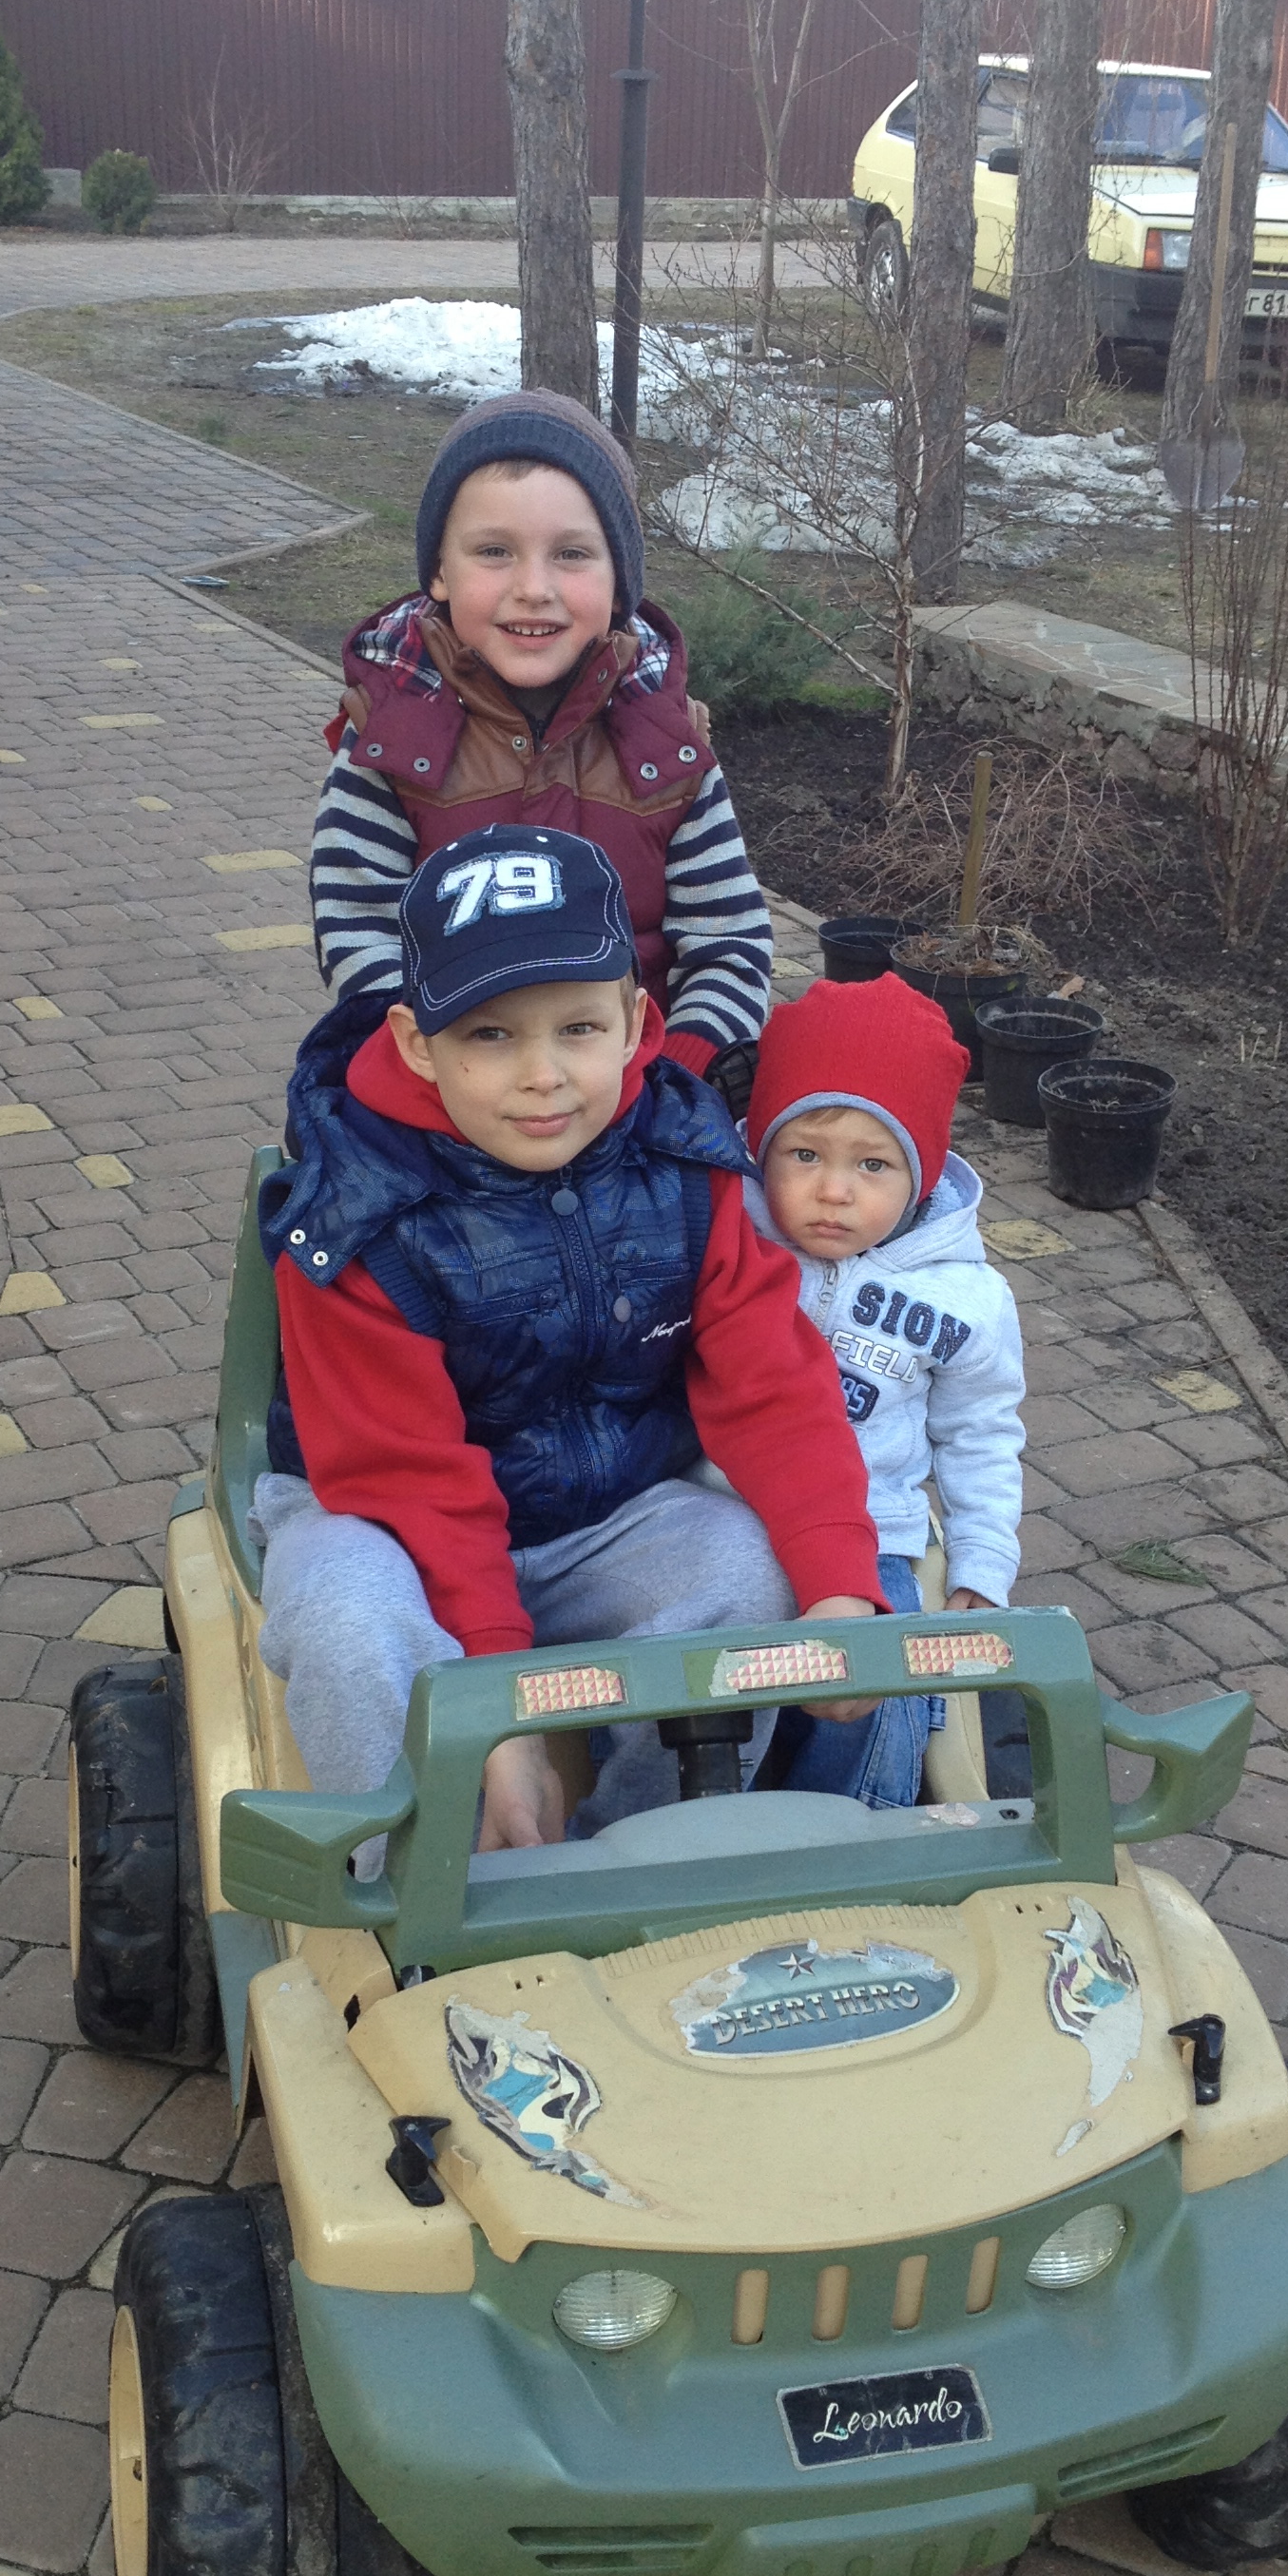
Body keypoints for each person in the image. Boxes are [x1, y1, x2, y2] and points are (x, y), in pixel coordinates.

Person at [253, 824, 883, 1849]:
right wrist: (495, 1711)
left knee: (747, 1570)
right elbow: (406, 1474)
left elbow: (772, 1384)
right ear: (416, 1043)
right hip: (387, 1520)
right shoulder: (356, 1215)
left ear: (636, 1022)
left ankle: (643, 1859)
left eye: (578, 1028)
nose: (543, 1075)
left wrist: (840, 1583)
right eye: (490, 1035)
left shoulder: (688, 1169)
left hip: (602, 1511)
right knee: (346, 1619)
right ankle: (417, 1882)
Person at [307, 388, 776, 1097]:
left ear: (619, 581)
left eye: (572, 554)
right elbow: (359, 935)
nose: (533, 587)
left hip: (641, 1096)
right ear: (439, 572)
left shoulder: (669, 745)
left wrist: (673, 1079)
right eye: (494, 551)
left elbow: (727, 942)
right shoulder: (390, 742)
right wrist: (450, 1081)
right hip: (446, 1103)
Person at [742, 974, 1028, 1810]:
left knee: (877, 1688)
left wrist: (984, 1558)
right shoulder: (729, 1246)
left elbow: (980, 1431)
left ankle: (857, 1833)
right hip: (726, 1514)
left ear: (922, 1173)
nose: (835, 1191)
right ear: (760, 1150)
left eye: (873, 1164)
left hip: (877, 1531)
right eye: (805, 1155)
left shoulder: (965, 1298)